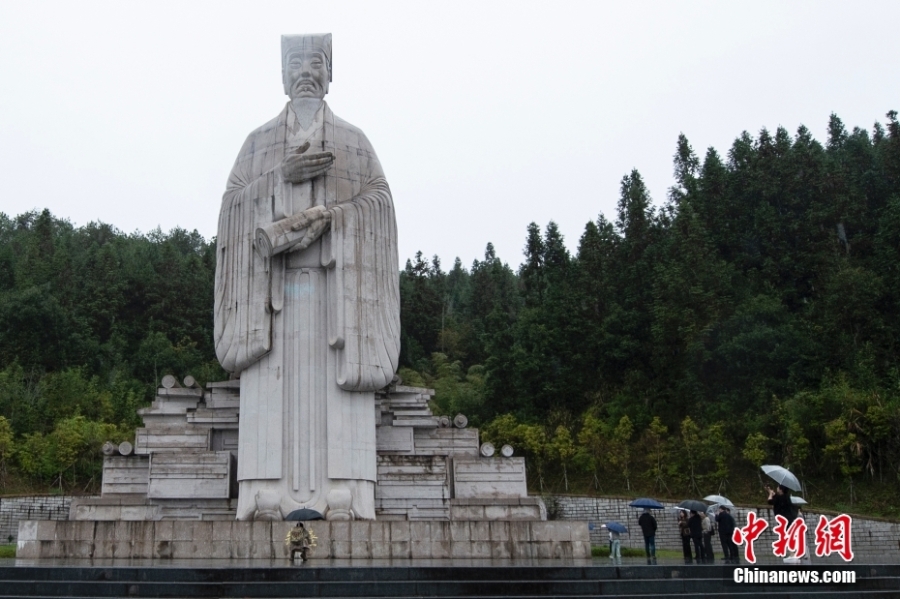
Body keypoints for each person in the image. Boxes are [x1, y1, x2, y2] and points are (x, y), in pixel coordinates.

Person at [215, 33, 400, 522]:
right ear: (281, 73)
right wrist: (280, 178)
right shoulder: (257, 143)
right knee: (269, 394)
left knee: (340, 401)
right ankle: (262, 497)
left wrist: (333, 219)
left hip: (337, 297)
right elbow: (232, 209)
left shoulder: (353, 142)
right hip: (270, 301)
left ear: (330, 71)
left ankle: (347, 497)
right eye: (294, 62)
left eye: (315, 61)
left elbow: (379, 203)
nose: (305, 71)